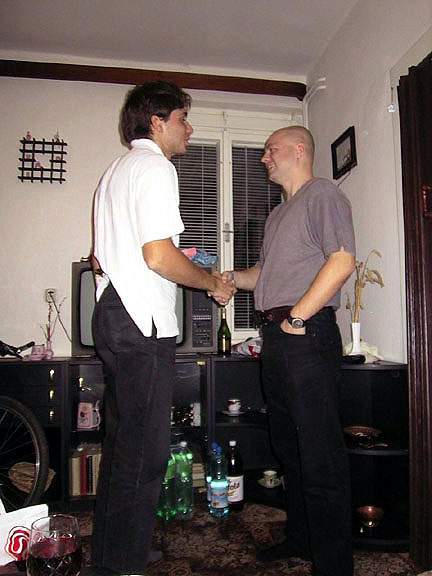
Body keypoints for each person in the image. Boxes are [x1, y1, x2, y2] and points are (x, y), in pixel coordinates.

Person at [90, 81, 235, 576]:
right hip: (139, 319)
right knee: (145, 450)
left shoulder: (114, 173)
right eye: (182, 119)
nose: (188, 129)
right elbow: (157, 256)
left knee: (122, 443)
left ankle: (113, 551)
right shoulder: (156, 167)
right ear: (157, 121)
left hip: (111, 312)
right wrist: (210, 283)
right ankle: (122, 565)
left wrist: (177, 260)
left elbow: (103, 257)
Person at [224, 126, 355, 576]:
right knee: (290, 449)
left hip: (305, 334)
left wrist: (297, 318)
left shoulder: (323, 194)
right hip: (278, 338)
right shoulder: (278, 214)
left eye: (271, 150)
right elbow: (264, 275)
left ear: (300, 150)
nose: (264, 157)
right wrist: (229, 279)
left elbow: (342, 259)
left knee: (320, 455)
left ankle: (334, 566)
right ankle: (302, 541)